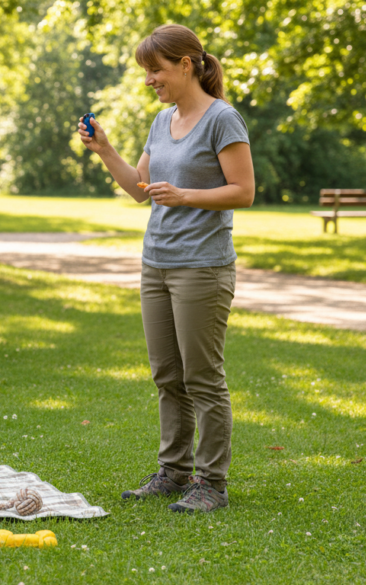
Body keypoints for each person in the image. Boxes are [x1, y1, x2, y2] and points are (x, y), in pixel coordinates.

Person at [78, 24, 254, 513]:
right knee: (166, 375)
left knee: (203, 377)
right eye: (146, 72)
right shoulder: (162, 121)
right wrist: (105, 149)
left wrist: (186, 196)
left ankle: (211, 483)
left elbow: (243, 190)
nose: (150, 79)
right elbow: (139, 188)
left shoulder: (223, 119)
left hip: (202, 266)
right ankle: (174, 472)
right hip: (156, 262)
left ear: (185, 64)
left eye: (155, 70)